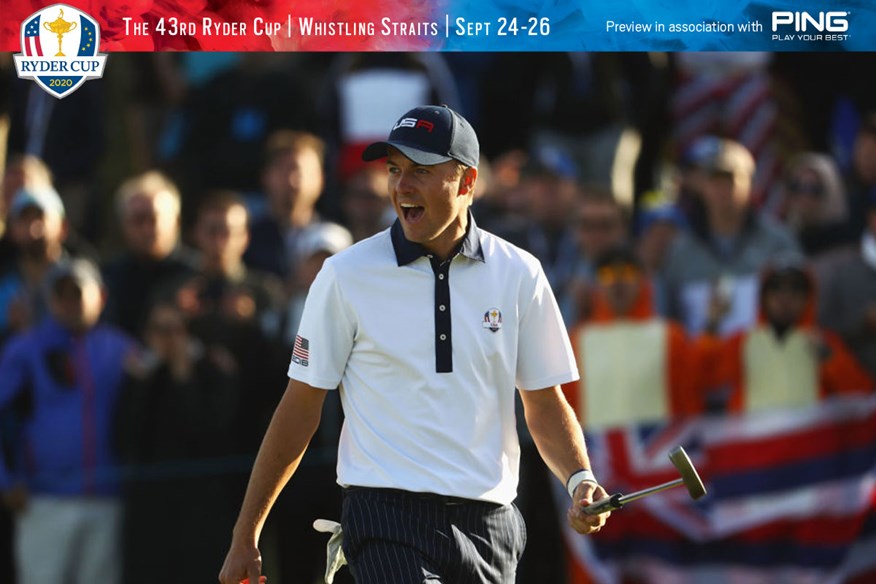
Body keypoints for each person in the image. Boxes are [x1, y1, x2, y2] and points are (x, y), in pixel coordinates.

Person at [219, 105, 612, 584]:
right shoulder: (346, 275)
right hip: (385, 516)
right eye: (394, 170)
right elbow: (300, 406)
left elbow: (543, 401)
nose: (402, 186)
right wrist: (247, 532)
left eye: (421, 172)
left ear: (466, 183)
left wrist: (580, 479)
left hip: (492, 524)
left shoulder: (519, 273)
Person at [0, 258, 136, 584]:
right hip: (43, 501)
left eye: (77, 292)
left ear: (100, 296)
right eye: (59, 294)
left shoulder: (120, 348)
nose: (68, 302)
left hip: (106, 500)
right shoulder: (25, 349)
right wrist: (5, 480)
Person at [700, 260, 873, 413]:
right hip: (755, 444)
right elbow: (706, 378)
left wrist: (829, 359)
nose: (785, 299)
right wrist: (712, 324)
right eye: (776, 289)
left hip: (812, 443)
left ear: (808, 297)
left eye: (795, 290)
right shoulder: (742, 342)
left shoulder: (825, 342)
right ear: (763, 296)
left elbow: (860, 395)